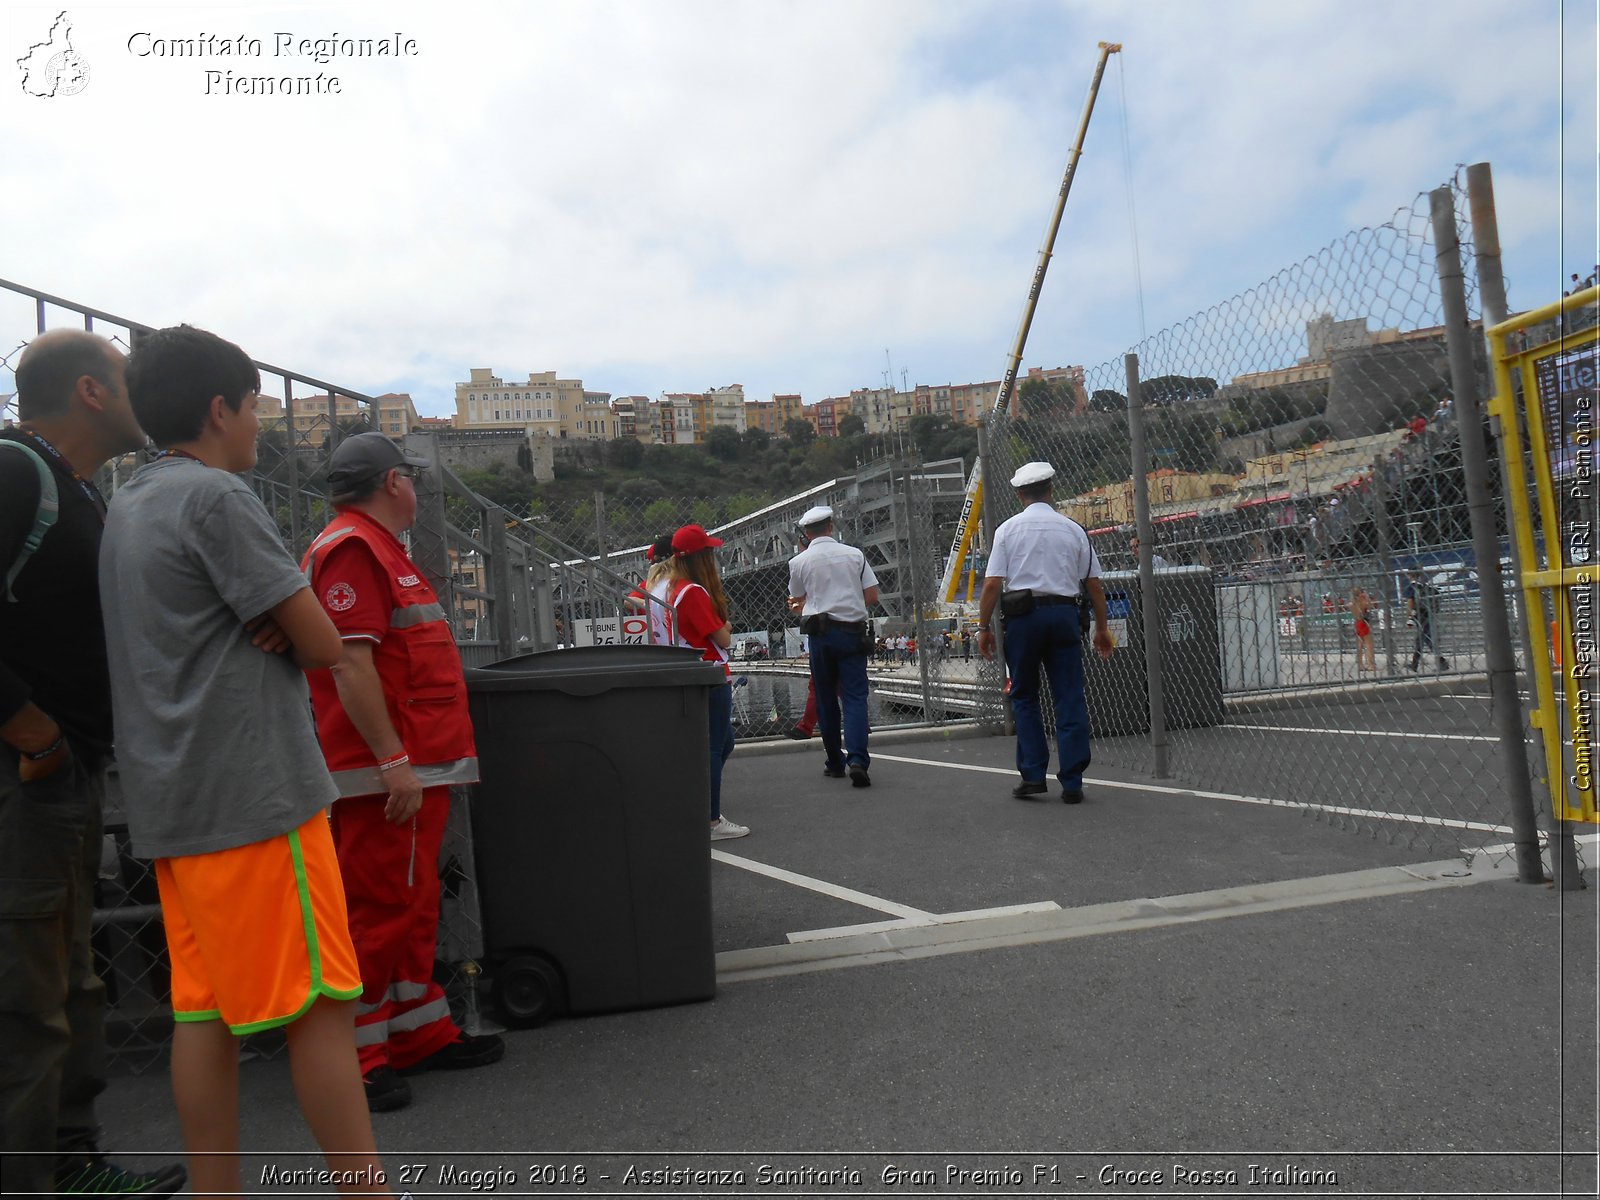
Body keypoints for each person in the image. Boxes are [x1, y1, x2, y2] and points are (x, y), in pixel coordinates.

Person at [98, 326, 394, 1197]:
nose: (261, 424)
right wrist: (285, 625)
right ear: (219, 408)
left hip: (172, 805)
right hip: (255, 796)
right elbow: (322, 644)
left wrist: (276, 622)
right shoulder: (216, 499)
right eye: (256, 406)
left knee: (205, 1014)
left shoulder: (129, 502)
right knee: (321, 1008)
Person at [0, 330, 188, 1198]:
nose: (139, 394)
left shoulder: (77, 489)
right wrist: (30, 729)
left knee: (70, 986)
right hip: (26, 779)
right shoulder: (15, 472)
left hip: (63, 776)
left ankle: (71, 1163)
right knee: (28, 1001)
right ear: (88, 391)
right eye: (125, 379)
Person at [300, 432, 504, 1113]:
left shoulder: (375, 549)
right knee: (377, 910)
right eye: (411, 479)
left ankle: (416, 1033)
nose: (416, 489)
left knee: (411, 907)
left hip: (413, 767)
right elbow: (349, 665)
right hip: (385, 774)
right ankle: (359, 1056)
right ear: (393, 483)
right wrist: (393, 763)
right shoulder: (352, 550)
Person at [978, 462, 1113, 803]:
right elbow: (1094, 585)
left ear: (1020, 493)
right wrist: (1101, 627)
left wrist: (983, 628)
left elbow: (993, 584)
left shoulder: (1007, 530)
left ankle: (1034, 774)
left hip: (1024, 619)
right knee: (1069, 695)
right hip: (1066, 614)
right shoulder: (1073, 530)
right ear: (1051, 489)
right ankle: (1072, 780)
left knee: (1024, 695)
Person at [665, 524, 748, 839]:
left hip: (698, 672)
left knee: (723, 743)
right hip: (711, 674)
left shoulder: (675, 589)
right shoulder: (694, 592)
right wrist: (725, 623)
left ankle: (703, 805)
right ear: (702, 558)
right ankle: (710, 819)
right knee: (715, 746)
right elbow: (723, 639)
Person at [788, 506, 879, 788]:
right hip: (852, 632)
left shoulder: (799, 562)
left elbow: (795, 600)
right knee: (854, 697)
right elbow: (872, 595)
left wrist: (810, 606)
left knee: (826, 699)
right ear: (831, 527)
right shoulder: (855, 555)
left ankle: (835, 763)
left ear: (806, 533)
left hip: (820, 635)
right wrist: (849, 605)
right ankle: (857, 761)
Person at [1405, 569, 1449, 672]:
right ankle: (1415, 664)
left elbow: (1410, 603)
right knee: (1422, 640)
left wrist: (1409, 617)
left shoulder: (1411, 587)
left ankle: (1442, 662)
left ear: (1409, 575)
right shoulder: (1424, 586)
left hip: (1419, 615)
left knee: (1425, 640)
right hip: (1428, 614)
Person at [1352, 586, 1376, 672]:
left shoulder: (1352, 603)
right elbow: (1370, 605)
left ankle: (1360, 664)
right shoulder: (1362, 601)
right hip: (1364, 622)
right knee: (1369, 645)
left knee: (1360, 645)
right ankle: (1371, 664)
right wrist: (1366, 596)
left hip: (1357, 622)